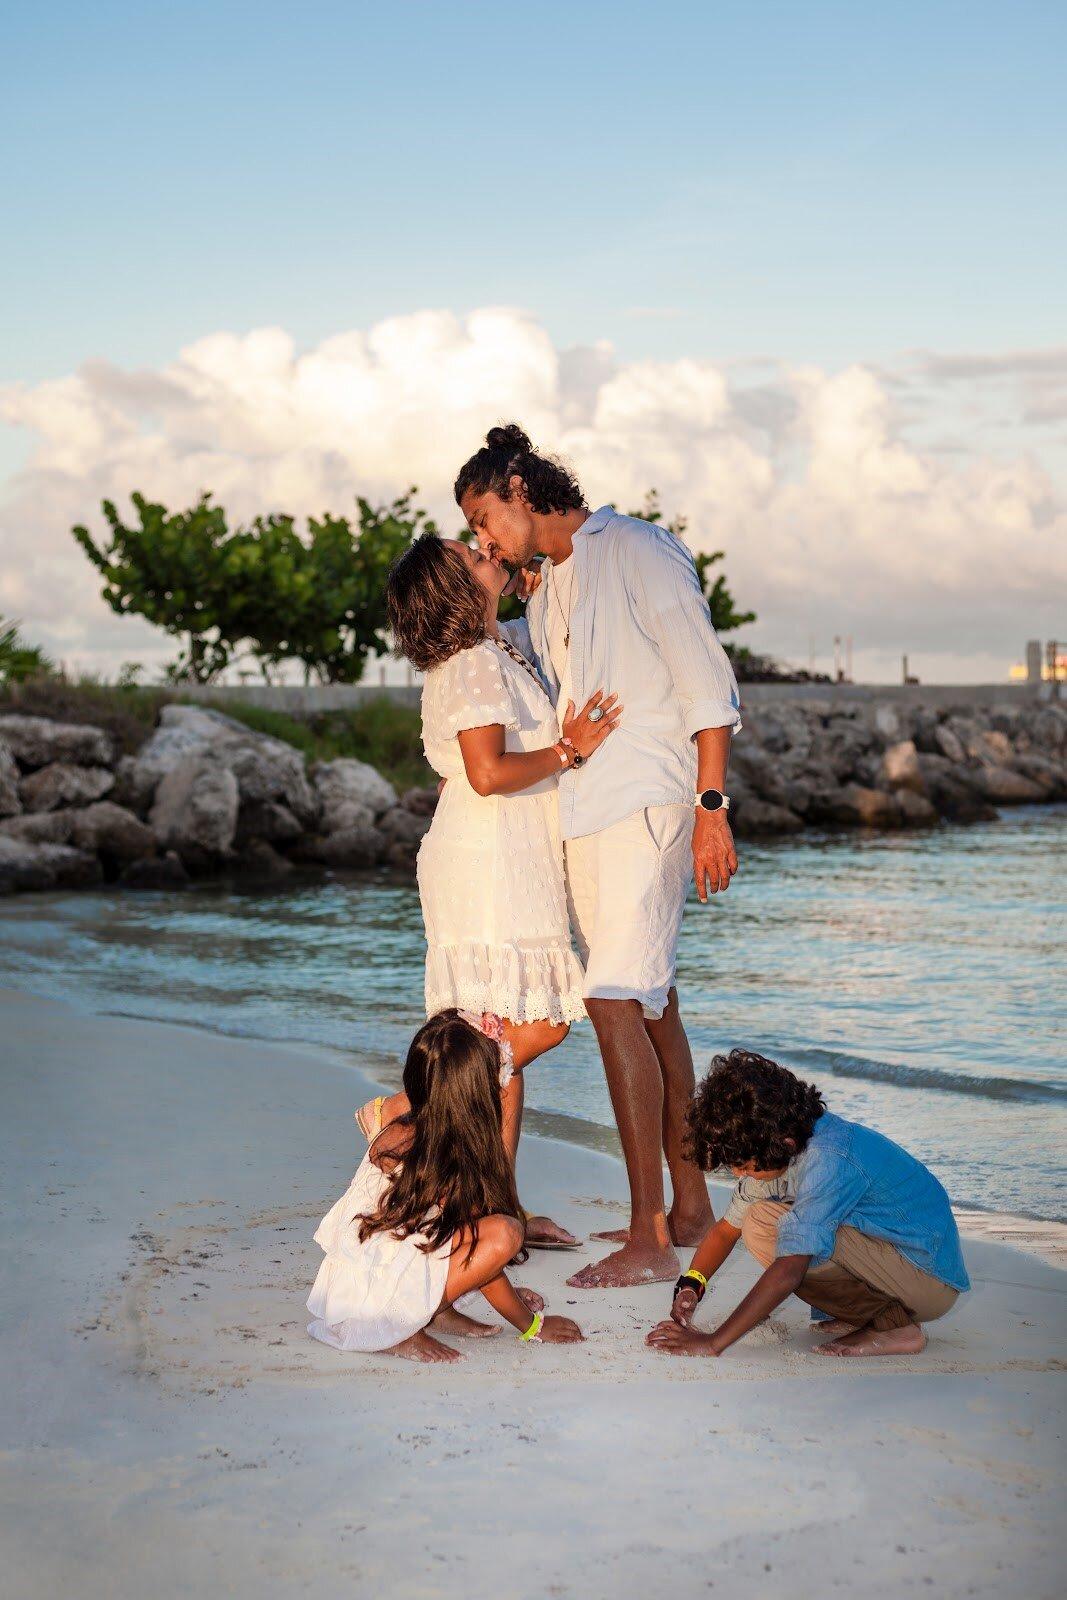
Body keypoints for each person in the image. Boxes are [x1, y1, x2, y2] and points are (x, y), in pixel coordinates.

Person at [455, 424, 742, 1288]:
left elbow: (705, 679)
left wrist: (711, 807)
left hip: (647, 802)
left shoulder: (640, 550)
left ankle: (647, 1235)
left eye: (482, 516)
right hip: (585, 814)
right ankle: (689, 1208)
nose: (482, 538)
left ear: (519, 487)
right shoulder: (547, 591)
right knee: (651, 1004)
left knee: (613, 997)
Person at [383, 530, 619, 1249]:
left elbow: (544, 610)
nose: (483, 546)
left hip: (505, 852)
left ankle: (497, 1213)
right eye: (467, 551)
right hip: (488, 859)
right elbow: (486, 772)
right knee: (538, 1025)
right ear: (450, 586)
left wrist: (528, 578)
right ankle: (410, 1111)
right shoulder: (472, 663)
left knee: (498, 1042)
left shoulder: (491, 649)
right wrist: (570, 748)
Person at [646, 1049, 970, 1359]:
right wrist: (692, 1284)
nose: (739, 1173)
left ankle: (896, 1329)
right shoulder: (786, 1144)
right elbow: (725, 1231)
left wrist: (713, 1343)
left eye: (745, 1165)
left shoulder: (827, 1158)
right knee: (763, 1220)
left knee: (770, 1226)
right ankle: (862, 1315)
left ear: (782, 1144)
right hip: (894, 1264)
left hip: (926, 1278)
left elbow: (789, 1270)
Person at [307, 1010, 584, 1363]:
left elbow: (425, 1238)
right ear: (474, 1097)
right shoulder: (451, 1159)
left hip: (360, 1281)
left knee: (469, 1233)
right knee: (506, 1234)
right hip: (375, 1302)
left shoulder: (400, 1132)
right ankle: (400, 1326)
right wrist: (531, 1325)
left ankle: (436, 1309)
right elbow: (475, 1249)